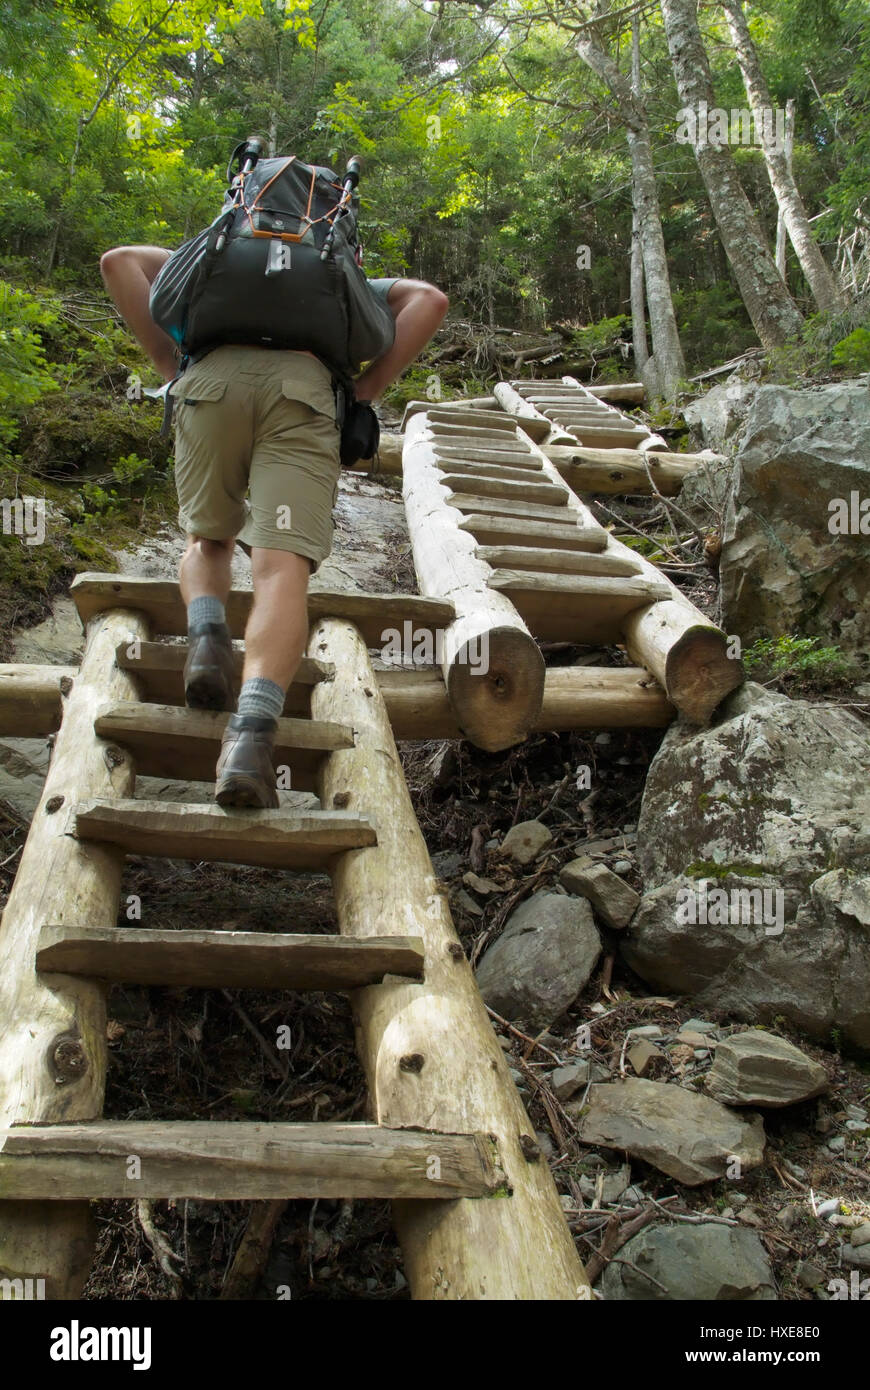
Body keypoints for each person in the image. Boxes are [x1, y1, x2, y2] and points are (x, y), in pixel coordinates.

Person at [99, 240, 448, 809]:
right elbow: (431, 300)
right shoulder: (339, 279)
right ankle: (249, 742)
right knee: (280, 570)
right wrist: (368, 389)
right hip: (303, 395)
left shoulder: (218, 255)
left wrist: (169, 364)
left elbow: (118, 263)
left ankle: (208, 641)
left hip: (210, 387)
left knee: (207, 538)